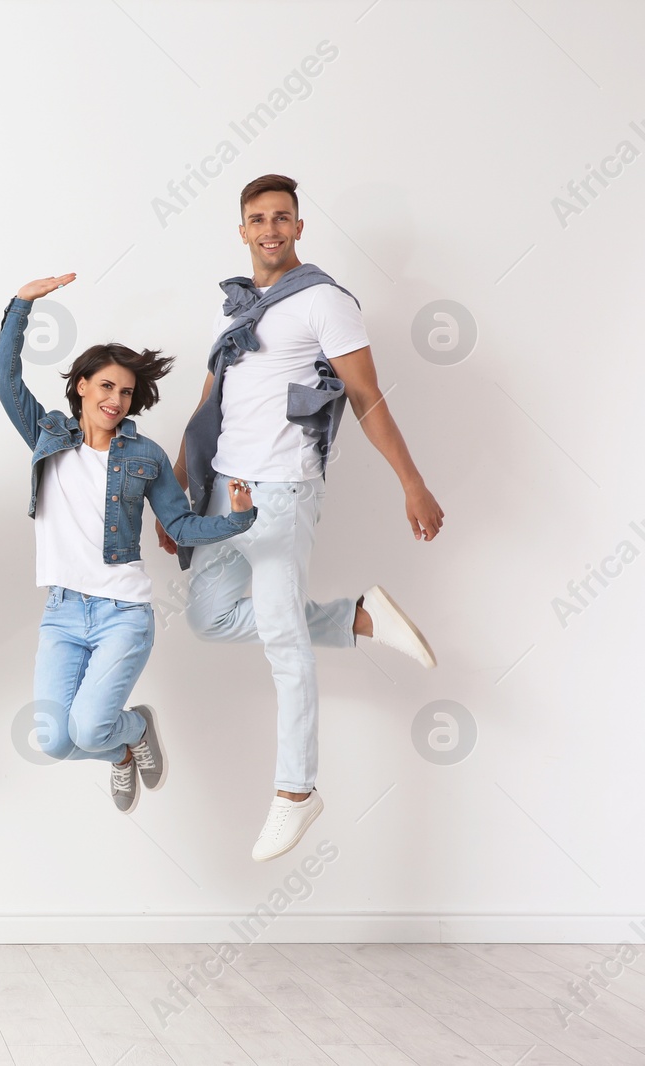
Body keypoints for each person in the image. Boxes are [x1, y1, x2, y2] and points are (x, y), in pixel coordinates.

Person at [166, 174, 445, 862]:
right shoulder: (232, 307)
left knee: (283, 646)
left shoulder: (323, 301)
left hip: (283, 492)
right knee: (206, 617)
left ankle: (297, 792)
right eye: (257, 219)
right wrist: (179, 482)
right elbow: (212, 395)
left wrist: (412, 483)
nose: (269, 229)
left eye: (282, 218)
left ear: (298, 227)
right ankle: (357, 617)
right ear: (242, 230)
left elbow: (367, 396)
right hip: (224, 490)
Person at [0, 275, 256, 811]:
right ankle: (121, 751)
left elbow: (179, 527)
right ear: (82, 386)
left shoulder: (147, 456)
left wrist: (240, 520)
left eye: (126, 392)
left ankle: (133, 729)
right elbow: (3, 377)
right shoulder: (47, 436)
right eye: (106, 386)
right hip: (62, 612)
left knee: (90, 728)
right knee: (55, 740)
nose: (116, 399)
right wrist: (23, 303)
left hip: (123, 614)